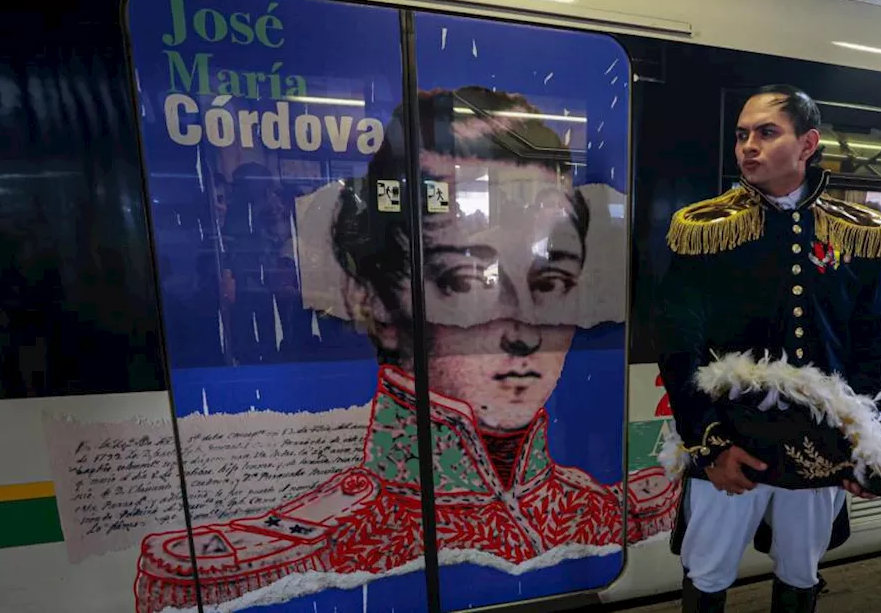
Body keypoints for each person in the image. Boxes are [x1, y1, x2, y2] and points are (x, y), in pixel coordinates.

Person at [134, 87, 673, 613]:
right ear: (376, 304)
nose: (524, 328)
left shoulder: (604, 518)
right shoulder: (280, 562)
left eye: (552, 281)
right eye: (469, 280)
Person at [656, 85, 881, 613]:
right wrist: (709, 443)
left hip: (819, 442)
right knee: (708, 569)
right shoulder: (704, 229)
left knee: (800, 568)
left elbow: (870, 343)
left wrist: (862, 443)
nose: (748, 146)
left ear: (807, 144)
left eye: (767, 133)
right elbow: (678, 346)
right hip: (731, 434)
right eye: (742, 134)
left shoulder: (858, 234)